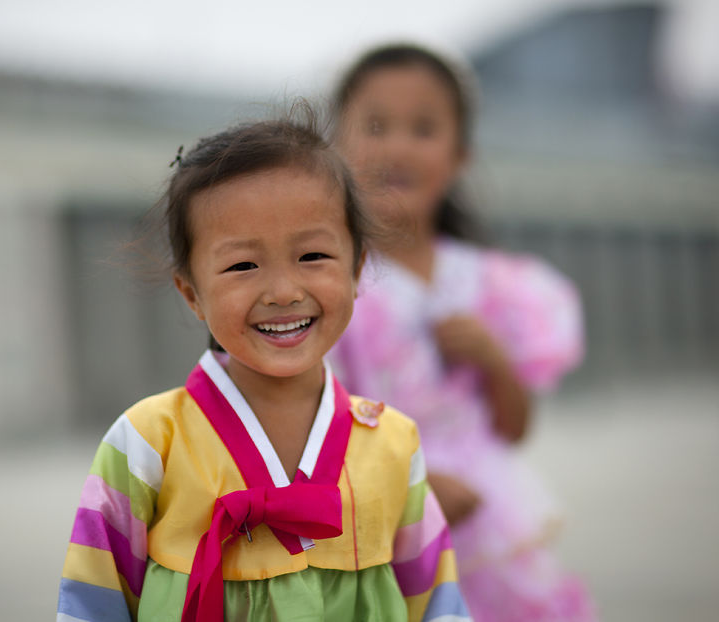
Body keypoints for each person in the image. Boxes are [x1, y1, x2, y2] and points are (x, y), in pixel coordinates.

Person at [56, 107, 472, 621]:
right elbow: (93, 601)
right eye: (242, 265)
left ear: (358, 268)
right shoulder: (147, 441)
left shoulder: (393, 441)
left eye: (313, 256)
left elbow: (436, 604)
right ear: (191, 293)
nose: (282, 292)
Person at [328, 44, 597, 622]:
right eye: (376, 125)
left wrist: (495, 360)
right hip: (382, 530)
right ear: (337, 147)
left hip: (490, 532)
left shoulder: (492, 284)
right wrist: (409, 485)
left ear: (460, 155)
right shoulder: (329, 282)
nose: (397, 145)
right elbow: (312, 418)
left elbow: (514, 428)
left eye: (423, 127)